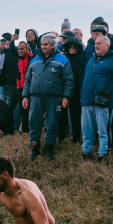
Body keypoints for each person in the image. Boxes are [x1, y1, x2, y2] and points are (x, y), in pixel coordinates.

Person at [23, 34, 74, 162]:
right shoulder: (35, 59)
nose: (43, 47)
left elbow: (69, 80)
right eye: (42, 44)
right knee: (34, 123)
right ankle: (35, 148)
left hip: (54, 98)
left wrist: (66, 96)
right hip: (36, 97)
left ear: (53, 45)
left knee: (52, 124)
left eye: (46, 44)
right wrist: (25, 96)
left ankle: (49, 149)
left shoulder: (62, 60)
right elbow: (28, 79)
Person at [80, 34, 113, 162]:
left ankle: (102, 154)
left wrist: (109, 94)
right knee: (87, 130)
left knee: (103, 130)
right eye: (95, 43)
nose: (96, 46)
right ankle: (86, 152)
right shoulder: (91, 60)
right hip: (87, 100)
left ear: (107, 45)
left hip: (103, 102)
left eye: (99, 43)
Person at [59, 33, 85, 144]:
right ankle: (60, 136)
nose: (72, 49)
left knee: (76, 115)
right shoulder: (63, 58)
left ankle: (76, 137)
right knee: (61, 114)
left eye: (74, 47)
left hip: (76, 90)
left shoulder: (82, 59)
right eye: (70, 46)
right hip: (63, 89)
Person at [15, 42, 31, 132]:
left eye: (22, 49)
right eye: (18, 49)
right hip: (21, 88)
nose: (20, 51)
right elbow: (17, 75)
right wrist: (18, 88)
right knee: (22, 110)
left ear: (27, 49)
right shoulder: (18, 60)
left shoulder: (32, 58)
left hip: (30, 87)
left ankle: (31, 128)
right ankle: (25, 129)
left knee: (30, 109)